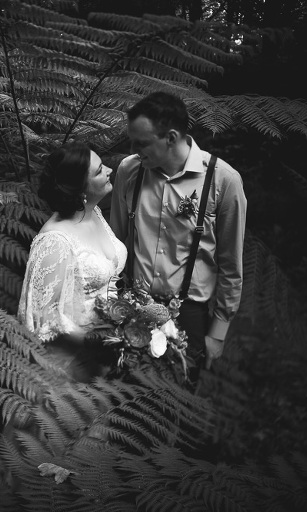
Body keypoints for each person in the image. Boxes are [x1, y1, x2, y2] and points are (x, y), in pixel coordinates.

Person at [109, 91, 247, 379]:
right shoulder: (129, 170)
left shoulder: (223, 180)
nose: (134, 149)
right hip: (132, 307)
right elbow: (115, 244)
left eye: (142, 143)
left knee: (174, 412)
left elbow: (231, 266)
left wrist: (218, 333)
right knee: (125, 406)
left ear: (170, 138)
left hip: (190, 316)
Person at [18, 141, 127, 382]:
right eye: (99, 170)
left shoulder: (94, 213)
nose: (109, 169)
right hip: (73, 361)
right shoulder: (55, 241)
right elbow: (42, 316)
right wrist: (97, 339)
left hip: (109, 351)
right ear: (80, 189)